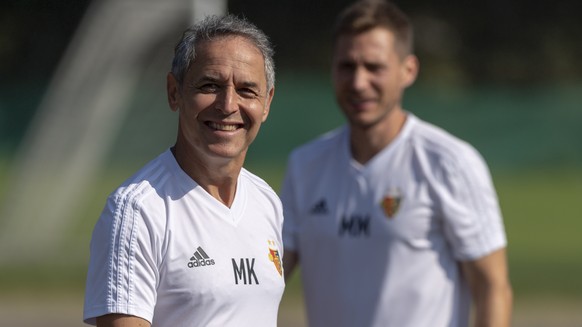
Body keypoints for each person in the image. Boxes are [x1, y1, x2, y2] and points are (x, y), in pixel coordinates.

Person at [281, 1, 512, 326]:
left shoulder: (450, 163)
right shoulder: (305, 165)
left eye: (374, 67)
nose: (359, 82)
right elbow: (267, 281)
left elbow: (492, 288)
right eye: (346, 66)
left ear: (409, 70)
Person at [83, 14, 285, 327]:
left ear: (267, 102)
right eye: (210, 85)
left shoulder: (266, 201)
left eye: (247, 90)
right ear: (174, 92)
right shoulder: (138, 211)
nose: (228, 104)